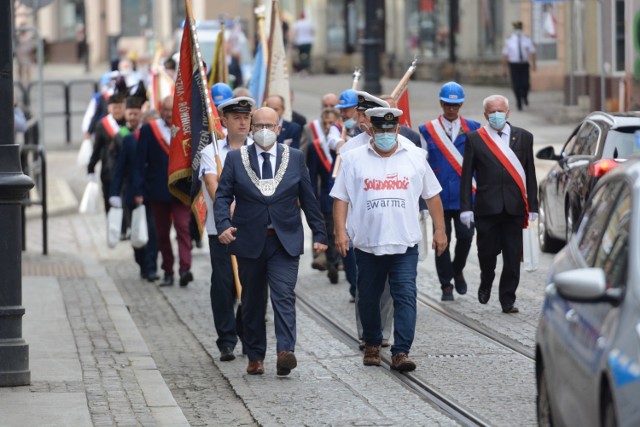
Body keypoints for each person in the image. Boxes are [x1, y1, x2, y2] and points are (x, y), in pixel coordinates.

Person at [214, 106, 328, 376]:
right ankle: (255, 356)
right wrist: (223, 225)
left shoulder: (296, 157)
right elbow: (222, 197)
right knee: (252, 300)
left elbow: (309, 199)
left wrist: (320, 234)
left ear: (279, 129)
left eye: (270, 126)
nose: (265, 131)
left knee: (284, 295)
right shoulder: (234, 159)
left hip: (284, 241)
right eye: (259, 126)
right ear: (252, 129)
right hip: (250, 241)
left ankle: (285, 351)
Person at [331, 107, 447, 372]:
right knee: (368, 297)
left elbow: (432, 195)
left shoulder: (416, 157)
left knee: (405, 295)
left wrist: (440, 230)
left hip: (404, 242)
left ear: (397, 129)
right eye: (379, 130)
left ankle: (401, 351)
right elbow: (341, 198)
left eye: (389, 130)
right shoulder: (352, 158)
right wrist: (340, 232)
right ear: (371, 129)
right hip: (368, 243)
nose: (385, 135)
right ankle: (372, 343)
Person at [460, 94, 538, 314]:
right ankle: (486, 280)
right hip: (487, 208)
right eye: (492, 112)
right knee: (486, 253)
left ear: (508, 112)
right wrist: (466, 208)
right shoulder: (475, 138)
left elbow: (530, 174)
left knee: (513, 257)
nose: (496, 115)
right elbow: (466, 176)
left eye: (500, 111)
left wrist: (533, 206)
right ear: (485, 114)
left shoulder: (524, 137)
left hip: (514, 208)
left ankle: (507, 299)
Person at [200, 97, 254, 362]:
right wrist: (228, 210)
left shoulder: (258, 148)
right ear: (224, 121)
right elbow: (213, 186)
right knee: (223, 284)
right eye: (236, 118)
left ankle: (248, 335)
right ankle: (226, 339)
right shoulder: (212, 152)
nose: (243, 122)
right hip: (220, 228)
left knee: (251, 284)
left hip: (252, 228)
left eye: (246, 117)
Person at [418, 82, 481, 301]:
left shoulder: (474, 127)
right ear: (440, 103)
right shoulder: (427, 130)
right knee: (441, 240)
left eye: (454, 105)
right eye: (446, 104)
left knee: (466, 237)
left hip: (466, 197)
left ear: (461, 104)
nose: (450, 109)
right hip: (439, 197)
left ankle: (458, 269)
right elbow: (421, 164)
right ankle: (446, 285)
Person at [133, 96, 194, 288]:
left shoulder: (187, 130)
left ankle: (185, 269)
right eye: (166, 110)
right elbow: (139, 162)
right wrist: (138, 189)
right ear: (160, 110)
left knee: (183, 229)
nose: (169, 114)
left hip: (181, 191)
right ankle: (168, 270)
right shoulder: (149, 130)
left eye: (172, 110)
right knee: (162, 233)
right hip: (157, 190)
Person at [109, 99, 159, 282]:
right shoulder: (128, 140)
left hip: (152, 193)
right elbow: (119, 168)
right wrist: (114, 193)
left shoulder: (158, 140)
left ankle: (151, 266)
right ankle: (142, 262)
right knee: (137, 231)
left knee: (153, 232)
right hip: (131, 193)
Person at [306, 107, 341, 284]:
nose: (328, 127)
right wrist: (312, 199)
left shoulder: (342, 144)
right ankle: (332, 263)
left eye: (332, 123)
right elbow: (312, 176)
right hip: (326, 197)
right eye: (325, 123)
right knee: (329, 232)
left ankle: (339, 261)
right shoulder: (316, 146)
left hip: (344, 197)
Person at [87, 87, 127, 214]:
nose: (117, 110)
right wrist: (91, 168)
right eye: (114, 107)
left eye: (120, 107)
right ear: (109, 108)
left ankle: (125, 232)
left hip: (127, 173)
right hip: (108, 172)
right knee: (110, 208)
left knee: (125, 206)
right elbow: (96, 149)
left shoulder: (129, 123)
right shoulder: (102, 125)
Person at [502, 21, 536, 111]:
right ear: (514, 29)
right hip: (514, 65)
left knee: (525, 84)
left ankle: (524, 96)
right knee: (516, 85)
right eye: (516, 29)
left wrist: (534, 64)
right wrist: (504, 69)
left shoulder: (527, 39)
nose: (518, 30)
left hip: (524, 64)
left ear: (521, 29)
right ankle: (519, 102)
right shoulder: (509, 40)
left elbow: (532, 52)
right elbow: (505, 55)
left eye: (519, 28)